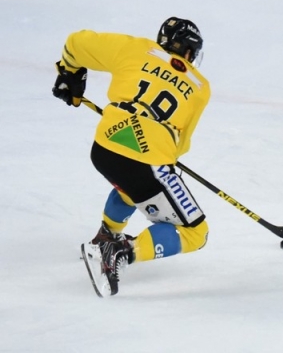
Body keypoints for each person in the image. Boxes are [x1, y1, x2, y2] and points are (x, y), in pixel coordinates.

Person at [52, 17, 212, 296]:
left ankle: (106, 234)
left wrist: (69, 75)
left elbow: (76, 42)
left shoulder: (137, 50)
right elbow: (180, 146)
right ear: (190, 52)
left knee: (133, 188)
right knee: (196, 233)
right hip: (148, 159)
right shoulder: (199, 86)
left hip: (103, 148)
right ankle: (119, 252)